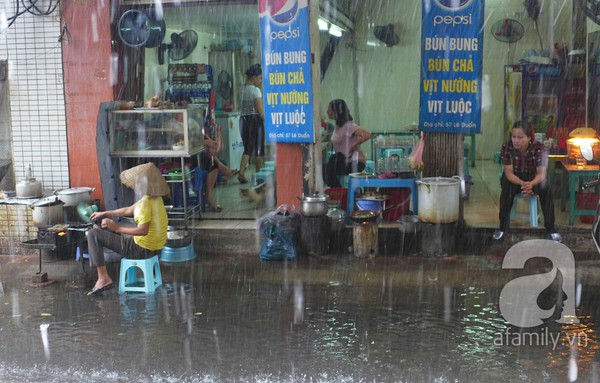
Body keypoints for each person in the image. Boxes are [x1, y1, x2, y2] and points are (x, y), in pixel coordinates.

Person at [86, 162, 169, 296]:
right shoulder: (154, 198)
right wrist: (105, 213)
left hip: (141, 250)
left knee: (93, 234)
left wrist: (117, 228)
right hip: (155, 249)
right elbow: (128, 210)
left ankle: (103, 278)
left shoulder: (145, 204)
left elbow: (143, 230)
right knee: (113, 229)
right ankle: (102, 276)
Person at [493, 121, 562, 243]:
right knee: (506, 189)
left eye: (520, 137)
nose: (516, 140)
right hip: (514, 179)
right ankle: (502, 228)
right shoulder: (507, 147)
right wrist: (522, 183)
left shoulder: (539, 148)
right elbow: (509, 173)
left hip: (534, 178)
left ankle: (551, 229)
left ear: (529, 137)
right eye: (514, 137)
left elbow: (541, 174)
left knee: (546, 188)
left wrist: (530, 184)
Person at [323, 99, 372, 187]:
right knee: (326, 169)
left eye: (329, 110)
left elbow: (367, 135)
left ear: (336, 112)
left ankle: (338, 192)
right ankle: (338, 191)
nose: (327, 112)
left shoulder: (349, 125)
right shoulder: (338, 125)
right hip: (344, 160)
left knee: (328, 170)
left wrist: (353, 145)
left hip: (355, 162)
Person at [238, 63, 265, 184]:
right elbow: (259, 110)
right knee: (259, 148)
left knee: (248, 148)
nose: (260, 81)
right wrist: (267, 121)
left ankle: (241, 172)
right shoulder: (255, 91)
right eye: (260, 78)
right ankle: (260, 175)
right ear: (253, 77)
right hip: (255, 121)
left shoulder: (242, 90)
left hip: (243, 120)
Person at [199, 136, 239, 212]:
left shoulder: (194, 126)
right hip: (186, 156)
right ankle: (224, 169)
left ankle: (224, 168)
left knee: (212, 157)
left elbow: (204, 138)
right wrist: (206, 142)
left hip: (196, 152)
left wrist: (208, 141)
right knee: (213, 163)